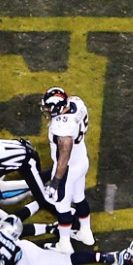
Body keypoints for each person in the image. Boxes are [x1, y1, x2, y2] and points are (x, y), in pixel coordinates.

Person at [41, 86, 95, 252]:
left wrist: (56, 181)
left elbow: (65, 153)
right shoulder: (77, 103)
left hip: (67, 169)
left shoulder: (62, 127)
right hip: (82, 161)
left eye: (49, 107)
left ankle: (64, 244)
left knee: (62, 206)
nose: (47, 110)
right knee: (79, 197)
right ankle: (86, 233)